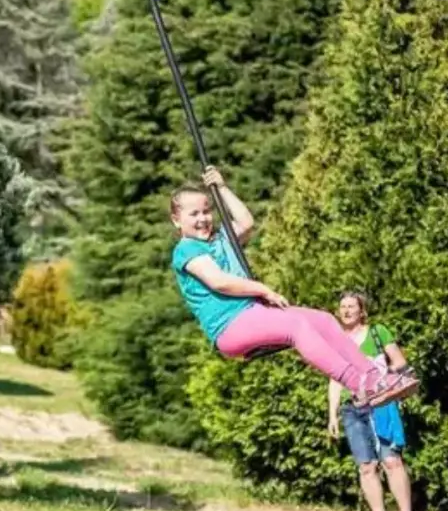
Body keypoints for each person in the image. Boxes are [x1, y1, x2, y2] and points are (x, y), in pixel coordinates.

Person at [169, 167, 418, 406]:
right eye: (194, 214)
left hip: (255, 313)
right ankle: (358, 384)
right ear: (176, 220)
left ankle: (375, 378)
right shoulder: (186, 249)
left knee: (324, 321)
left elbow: (245, 223)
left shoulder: (221, 239)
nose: (203, 219)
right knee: (296, 326)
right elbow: (219, 282)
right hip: (230, 326)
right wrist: (263, 289)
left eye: (206, 211)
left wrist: (221, 187)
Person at [328, 290, 416, 511]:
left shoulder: (378, 332)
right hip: (352, 407)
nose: (346, 310)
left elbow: (399, 362)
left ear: (361, 310)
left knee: (391, 460)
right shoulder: (336, 341)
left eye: (351, 306)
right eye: (342, 306)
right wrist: (332, 415)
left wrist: (378, 375)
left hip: (382, 403)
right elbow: (335, 379)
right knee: (366, 466)